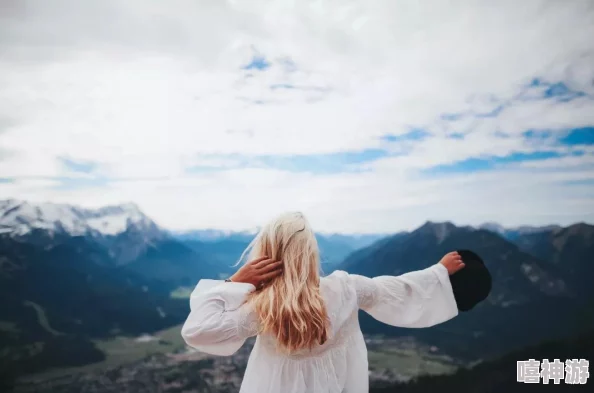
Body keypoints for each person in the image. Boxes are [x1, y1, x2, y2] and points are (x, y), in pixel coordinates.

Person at [181, 212, 465, 393]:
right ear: (310, 253)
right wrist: (437, 272)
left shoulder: (263, 308)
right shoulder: (347, 289)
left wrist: (235, 283)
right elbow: (396, 289)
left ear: (266, 253)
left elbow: (198, 330)